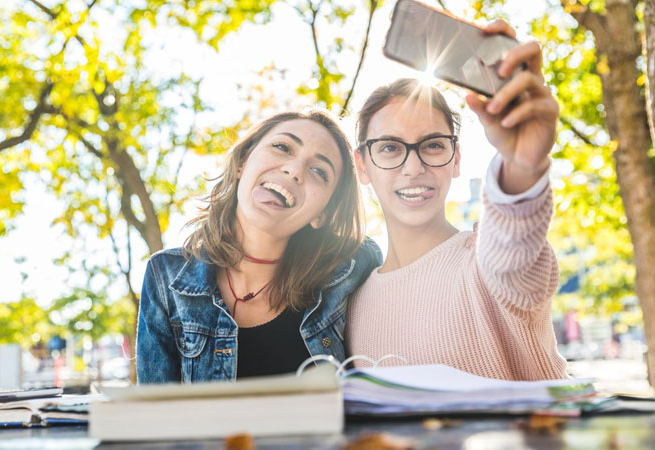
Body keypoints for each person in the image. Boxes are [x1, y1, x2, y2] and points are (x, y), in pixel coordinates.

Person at [346, 21, 568, 381]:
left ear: (456, 159)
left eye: (433, 145)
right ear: (362, 165)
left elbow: (513, 250)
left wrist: (521, 167)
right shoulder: (351, 302)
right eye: (389, 148)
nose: (413, 167)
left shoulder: (484, 260)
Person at [137, 110, 382, 383]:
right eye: (282, 147)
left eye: (319, 171)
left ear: (322, 214)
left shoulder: (354, 266)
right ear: (242, 162)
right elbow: (155, 413)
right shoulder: (165, 276)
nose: (294, 170)